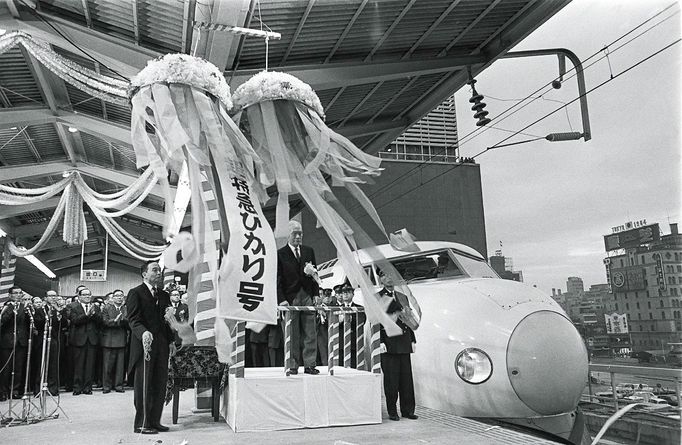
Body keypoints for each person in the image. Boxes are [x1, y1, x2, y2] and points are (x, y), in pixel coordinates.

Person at [126, 261, 175, 435]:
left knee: (159, 384)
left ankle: (155, 421)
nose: (158, 272)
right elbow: (133, 319)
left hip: (161, 345)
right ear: (144, 274)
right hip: (144, 346)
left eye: (159, 270)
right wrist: (143, 332)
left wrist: (171, 341)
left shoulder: (163, 295)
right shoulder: (135, 293)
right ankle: (141, 423)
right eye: (154, 270)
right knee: (144, 385)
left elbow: (167, 322)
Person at [277, 220, 319, 375]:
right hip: (290, 296)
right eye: (295, 233)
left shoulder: (309, 251)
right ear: (288, 235)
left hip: (307, 294)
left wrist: (315, 294)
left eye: (300, 233)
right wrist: (281, 299)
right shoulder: (280, 254)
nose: (298, 236)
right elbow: (277, 279)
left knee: (310, 332)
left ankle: (310, 364)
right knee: (291, 333)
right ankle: (292, 364)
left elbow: (315, 274)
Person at [378, 274, 417, 421]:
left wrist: (412, 339)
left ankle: (407, 410)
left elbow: (407, 318)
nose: (389, 278)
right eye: (385, 276)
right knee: (391, 380)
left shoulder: (402, 296)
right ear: (381, 279)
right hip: (388, 342)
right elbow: (377, 320)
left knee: (406, 379)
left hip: (404, 340)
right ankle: (392, 411)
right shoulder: (378, 297)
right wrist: (380, 341)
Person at [68, 287, 101, 396]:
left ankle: (88, 387)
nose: (87, 296)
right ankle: (77, 387)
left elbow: (100, 321)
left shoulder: (95, 307)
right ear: (79, 296)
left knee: (90, 365)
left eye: (89, 295)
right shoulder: (73, 306)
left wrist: (94, 314)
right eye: (84, 295)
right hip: (78, 339)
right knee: (78, 364)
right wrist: (87, 315)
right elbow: (74, 321)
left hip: (92, 339)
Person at [0, 286, 31, 400]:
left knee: (18, 368)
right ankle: (3, 391)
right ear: (10, 295)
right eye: (16, 293)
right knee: (6, 367)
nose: (18, 295)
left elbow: (28, 323)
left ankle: (15, 390)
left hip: (21, 341)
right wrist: (12, 312)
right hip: (8, 341)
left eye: (20, 293)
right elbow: (2, 321)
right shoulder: (6, 307)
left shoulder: (25, 307)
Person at [101, 289, 128, 394]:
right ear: (112, 298)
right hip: (109, 340)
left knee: (120, 366)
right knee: (107, 366)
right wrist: (115, 321)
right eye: (117, 296)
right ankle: (106, 386)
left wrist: (122, 320)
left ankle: (119, 385)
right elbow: (104, 322)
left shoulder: (126, 309)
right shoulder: (107, 308)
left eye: (121, 295)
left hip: (121, 339)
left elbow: (130, 321)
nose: (119, 297)